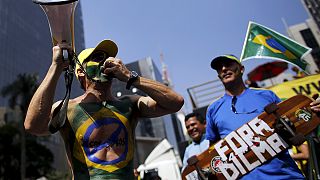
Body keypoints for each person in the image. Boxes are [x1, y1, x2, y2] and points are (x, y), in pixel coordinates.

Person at [24, 39, 184, 179]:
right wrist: (56, 66)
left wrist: (130, 77)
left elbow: (175, 102)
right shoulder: (68, 108)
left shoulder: (129, 104)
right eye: (97, 58)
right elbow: (33, 126)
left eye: (107, 58)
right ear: (80, 71)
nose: (106, 62)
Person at [206, 54, 305, 179]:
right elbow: (213, 152)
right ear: (219, 76)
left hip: (285, 176)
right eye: (219, 68)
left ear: (241, 69)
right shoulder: (213, 109)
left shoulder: (267, 95)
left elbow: (295, 127)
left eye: (229, 64)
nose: (224, 68)